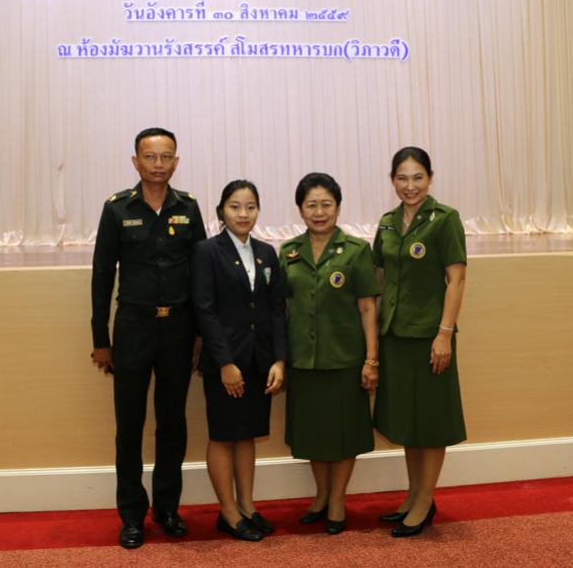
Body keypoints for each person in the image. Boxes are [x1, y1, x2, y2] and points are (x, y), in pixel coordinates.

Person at [90, 128, 207, 550]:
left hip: (178, 329)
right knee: (130, 425)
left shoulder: (188, 207)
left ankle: (168, 508)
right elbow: (102, 276)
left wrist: (200, 335)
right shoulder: (117, 208)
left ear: (176, 162)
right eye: (150, 156)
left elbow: (202, 275)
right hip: (133, 329)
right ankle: (131, 515)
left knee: (172, 423)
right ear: (135, 161)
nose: (158, 164)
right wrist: (101, 339)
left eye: (166, 157)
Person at [372, 147, 467, 538]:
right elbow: (379, 278)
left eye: (417, 178)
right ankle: (413, 495)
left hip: (430, 337)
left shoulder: (444, 219)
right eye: (402, 178)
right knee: (408, 421)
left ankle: (426, 500)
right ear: (392, 180)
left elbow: (456, 279)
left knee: (431, 422)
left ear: (430, 178)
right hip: (395, 335)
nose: (409, 186)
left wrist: (444, 334)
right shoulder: (388, 223)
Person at [279, 172, 380, 535]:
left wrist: (371, 360)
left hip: (344, 359)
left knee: (343, 434)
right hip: (303, 359)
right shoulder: (288, 252)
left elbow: (368, 308)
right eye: (311, 205)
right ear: (300, 209)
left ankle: (337, 499)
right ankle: (321, 495)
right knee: (312, 434)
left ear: (338, 207)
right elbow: (281, 309)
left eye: (326, 204)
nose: (319, 212)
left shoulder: (356, 250)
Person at [191, 180, 287, 542]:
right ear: (221, 211)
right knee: (223, 435)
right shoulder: (206, 251)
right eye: (235, 206)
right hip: (225, 363)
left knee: (247, 435)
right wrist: (224, 362)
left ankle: (247, 505)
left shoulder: (267, 252)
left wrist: (279, 359)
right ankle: (228, 512)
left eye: (250, 207)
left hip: (259, 360)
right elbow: (204, 310)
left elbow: (276, 309)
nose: (243, 214)